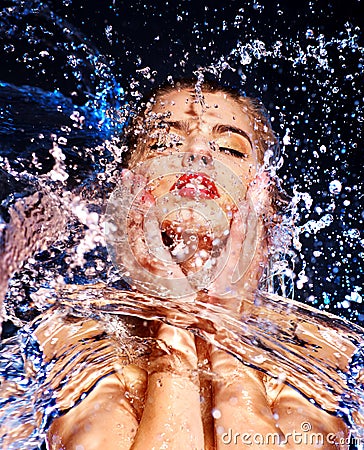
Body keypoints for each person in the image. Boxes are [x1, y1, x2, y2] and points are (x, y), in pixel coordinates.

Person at [43, 80, 348, 449]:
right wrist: (176, 324)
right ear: (126, 191)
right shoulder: (74, 332)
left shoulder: (317, 345)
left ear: (263, 197)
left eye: (229, 148)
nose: (198, 152)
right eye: (164, 143)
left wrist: (226, 335)